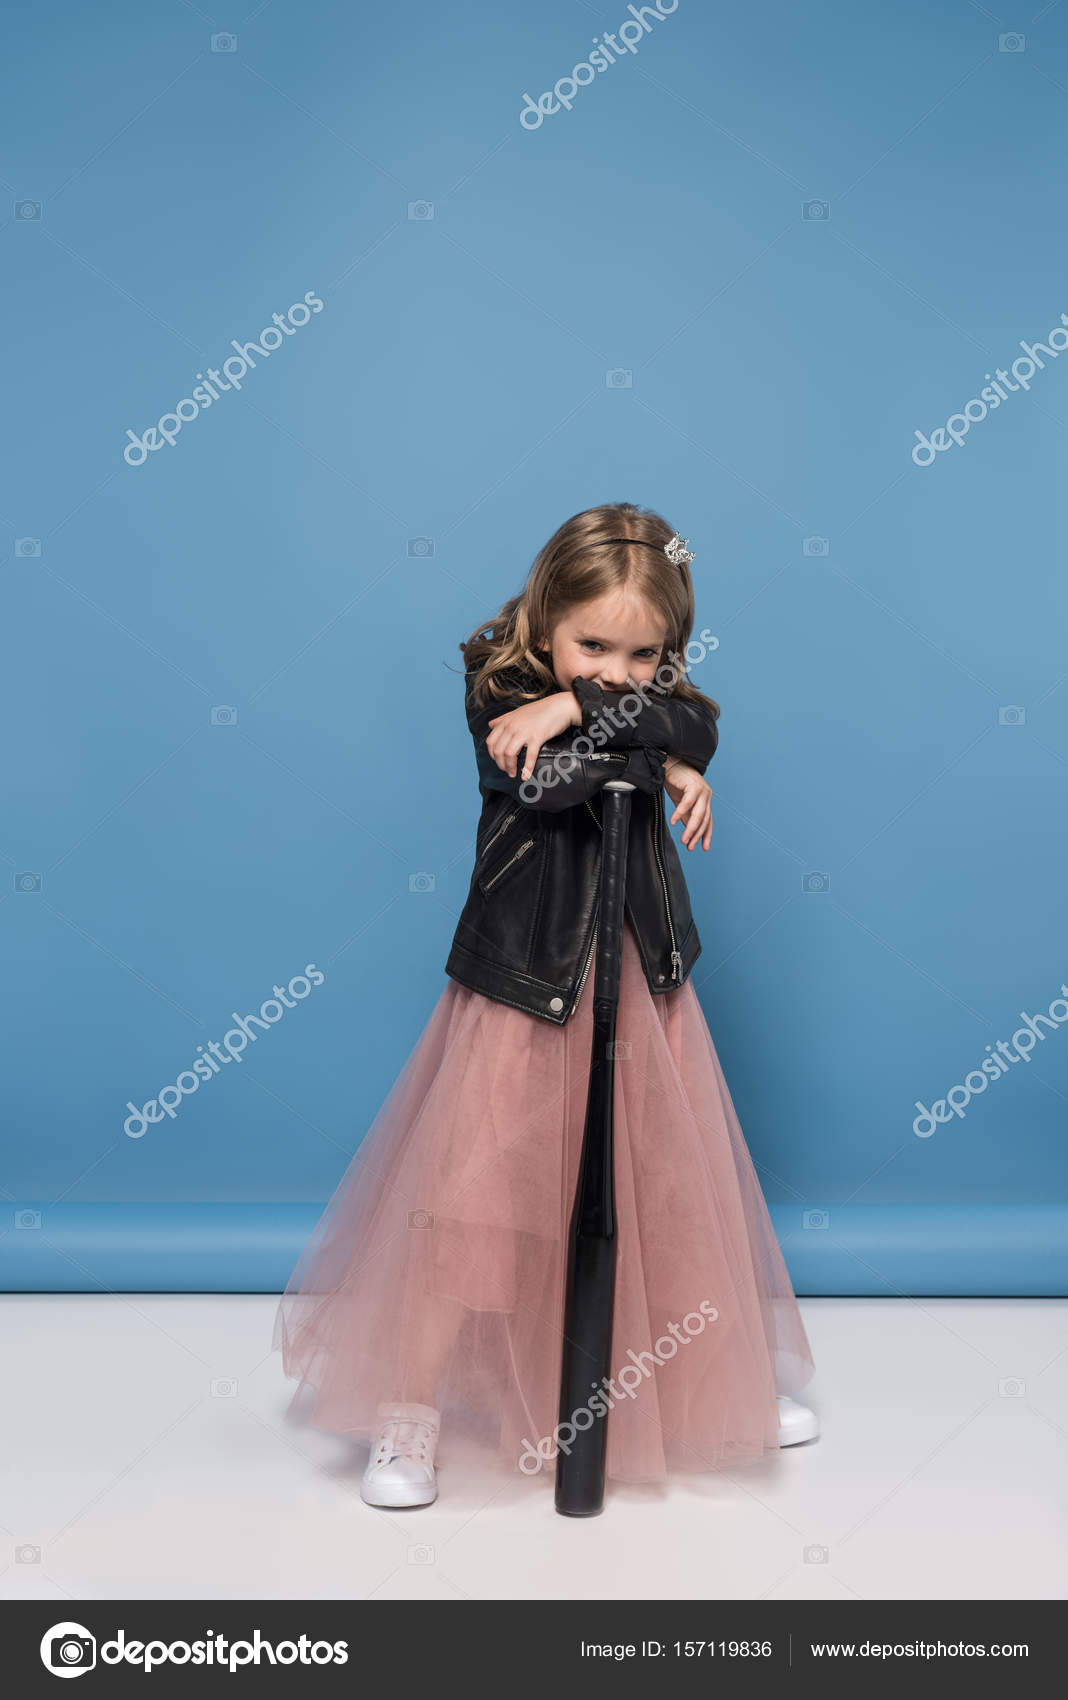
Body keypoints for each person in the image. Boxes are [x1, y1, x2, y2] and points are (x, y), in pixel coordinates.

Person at [273, 501, 818, 1510]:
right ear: (544, 617)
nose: (620, 670)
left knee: (666, 1190)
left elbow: (698, 721)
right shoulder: (496, 686)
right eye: (592, 648)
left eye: (644, 655)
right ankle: (411, 1406)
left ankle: (715, 1385)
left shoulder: (631, 697)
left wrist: (602, 715)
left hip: (640, 972)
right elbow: (554, 785)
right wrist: (651, 755)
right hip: (529, 981)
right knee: (474, 1203)